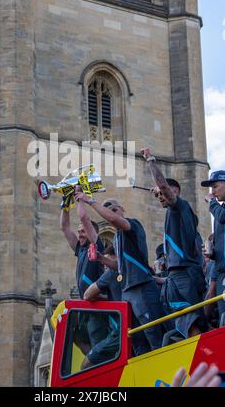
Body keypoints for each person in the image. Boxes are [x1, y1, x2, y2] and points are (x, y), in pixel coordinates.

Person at [74, 191, 170, 356]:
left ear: (121, 209)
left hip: (141, 287)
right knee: (136, 341)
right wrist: (101, 259)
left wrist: (90, 201)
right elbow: (120, 266)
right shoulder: (117, 238)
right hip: (127, 292)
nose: (110, 212)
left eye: (113, 208)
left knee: (154, 337)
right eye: (107, 209)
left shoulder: (132, 225)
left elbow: (112, 219)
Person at [141, 147, 206, 339]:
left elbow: (163, 186)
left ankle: (200, 360)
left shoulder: (180, 207)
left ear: (173, 191)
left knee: (190, 321)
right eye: (158, 195)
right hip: (180, 275)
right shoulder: (177, 212)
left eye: (162, 194)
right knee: (185, 323)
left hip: (184, 275)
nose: (159, 197)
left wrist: (150, 160)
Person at [60, 195, 108, 355]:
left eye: (83, 231)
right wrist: (65, 203)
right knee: (76, 336)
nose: (80, 234)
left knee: (97, 345)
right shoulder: (79, 249)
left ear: (91, 232)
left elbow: (83, 217)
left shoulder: (96, 245)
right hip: (84, 306)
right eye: (79, 231)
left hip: (96, 306)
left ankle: (99, 368)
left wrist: (79, 197)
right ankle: (93, 363)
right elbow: (65, 227)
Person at [201, 170, 225, 325]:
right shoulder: (220, 212)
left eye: (215, 186)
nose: (212, 192)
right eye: (211, 188)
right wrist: (211, 253)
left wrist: (211, 203)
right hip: (222, 274)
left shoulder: (220, 212)